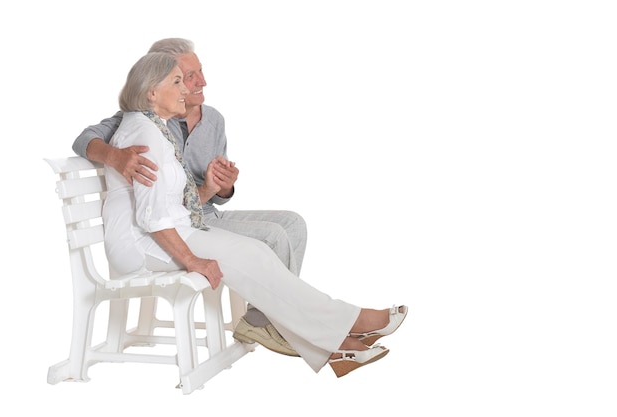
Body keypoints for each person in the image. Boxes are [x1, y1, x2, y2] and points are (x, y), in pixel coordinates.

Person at [102, 51, 407, 377]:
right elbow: (152, 217)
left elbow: (169, 204)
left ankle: (337, 345)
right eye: (177, 81)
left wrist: (215, 187)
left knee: (257, 252)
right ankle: (347, 326)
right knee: (250, 256)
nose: (185, 89)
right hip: (142, 243)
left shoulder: (153, 128)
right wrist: (193, 261)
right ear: (151, 92)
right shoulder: (144, 134)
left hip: (170, 231)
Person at [72, 38, 306, 356]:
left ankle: (267, 320)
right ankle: (275, 325)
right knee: (272, 236)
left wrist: (221, 186)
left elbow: (214, 197)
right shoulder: (144, 118)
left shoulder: (213, 120)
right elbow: (85, 139)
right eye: (186, 76)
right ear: (160, 81)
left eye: (199, 73)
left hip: (204, 213)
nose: (200, 83)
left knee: (292, 223)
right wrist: (114, 157)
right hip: (180, 224)